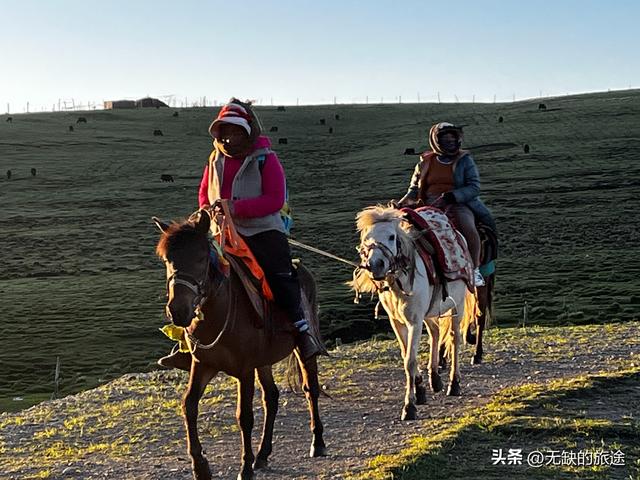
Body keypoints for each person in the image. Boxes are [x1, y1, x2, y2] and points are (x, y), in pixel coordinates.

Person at [159, 98, 321, 370]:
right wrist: (206, 213)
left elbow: (274, 199)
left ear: (247, 132)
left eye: (235, 131)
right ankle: (189, 343)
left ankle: (302, 331)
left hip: (262, 231)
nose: (230, 138)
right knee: (195, 274)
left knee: (279, 274)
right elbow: (204, 192)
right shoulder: (214, 160)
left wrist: (235, 208)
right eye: (225, 132)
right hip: (221, 233)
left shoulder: (266, 159)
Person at [398, 122, 496, 287]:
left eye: (453, 139)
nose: (451, 142)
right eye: (446, 140)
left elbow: (474, 186)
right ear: (437, 142)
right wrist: (401, 203)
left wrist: (452, 196)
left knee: (468, 227)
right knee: (404, 232)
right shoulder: (424, 163)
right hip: (427, 205)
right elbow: (414, 190)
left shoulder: (465, 160)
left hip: (457, 203)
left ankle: (475, 270)